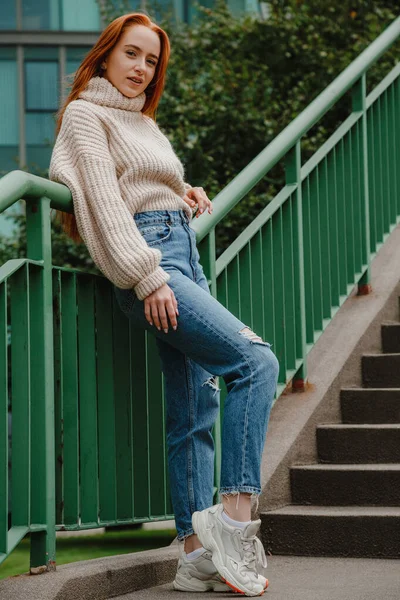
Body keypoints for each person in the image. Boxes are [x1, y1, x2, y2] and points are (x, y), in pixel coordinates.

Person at [49, 12, 279, 597]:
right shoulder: (85, 115)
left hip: (181, 251)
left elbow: (139, 181)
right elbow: (102, 201)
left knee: (193, 408)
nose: (141, 70)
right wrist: (145, 277)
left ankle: (195, 555)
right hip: (154, 262)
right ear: (104, 56)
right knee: (255, 363)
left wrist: (181, 193)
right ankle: (232, 523)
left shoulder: (141, 122)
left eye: (151, 62)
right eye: (131, 55)